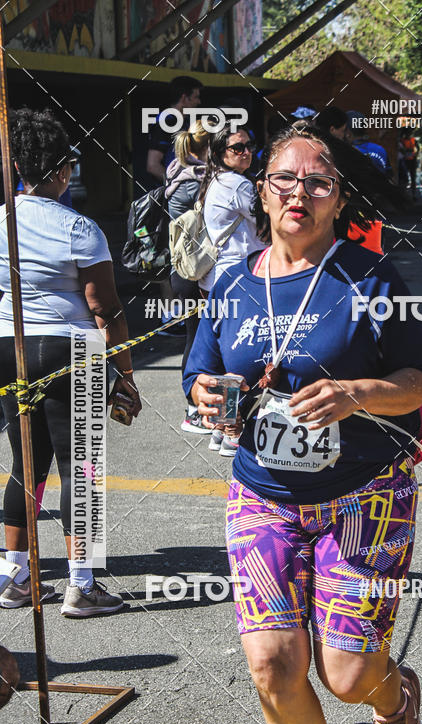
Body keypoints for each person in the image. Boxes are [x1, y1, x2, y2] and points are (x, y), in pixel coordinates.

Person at [183, 123, 422, 724]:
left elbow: (421, 381)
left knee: (348, 675)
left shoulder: (370, 278)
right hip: (263, 494)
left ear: (338, 200)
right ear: (262, 192)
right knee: (273, 662)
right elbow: (199, 375)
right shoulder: (231, 285)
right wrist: (206, 395)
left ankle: (394, 700)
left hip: (365, 494)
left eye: (318, 183)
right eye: (285, 180)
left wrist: (357, 393)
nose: (301, 193)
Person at [0, 109, 141, 615]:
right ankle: (80, 584)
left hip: (11, 347)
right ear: (62, 170)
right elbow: (106, 309)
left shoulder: (1, 219)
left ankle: (15, 576)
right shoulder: (80, 227)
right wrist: (125, 373)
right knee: (80, 469)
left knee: (26, 464)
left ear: (20, 168)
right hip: (72, 350)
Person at [198, 122, 267, 456]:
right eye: (237, 148)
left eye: (249, 145)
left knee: (228, 355)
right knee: (239, 358)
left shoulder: (216, 180)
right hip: (242, 278)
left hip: (221, 278)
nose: (246, 152)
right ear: (219, 153)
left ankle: (221, 428)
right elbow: (267, 220)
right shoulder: (238, 184)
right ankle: (231, 432)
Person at [165, 120, 212, 433]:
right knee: (198, 340)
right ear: (209, 148)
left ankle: (196, 408)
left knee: (194, 337)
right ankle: (194, 410)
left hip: (181, 269)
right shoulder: (197, 182)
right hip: (196, 271)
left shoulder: (175, 172)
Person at [146, 76, 203, 185]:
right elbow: (153, 165)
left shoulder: (186, 123)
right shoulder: (166, 122)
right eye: (196, 97)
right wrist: (175, 187)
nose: (199, 102)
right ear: (184, 98)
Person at [399, 127, 418, 199]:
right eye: (408, 133)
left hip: (412, 161)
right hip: (405, 161)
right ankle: (405, 194)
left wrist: (414, 153)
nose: (409, 134)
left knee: (413, 178)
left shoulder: (414, 140)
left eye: (410, 133)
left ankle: (413, 194)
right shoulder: (402, 141)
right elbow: (402, 150)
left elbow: (417, 149)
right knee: (404, 178)